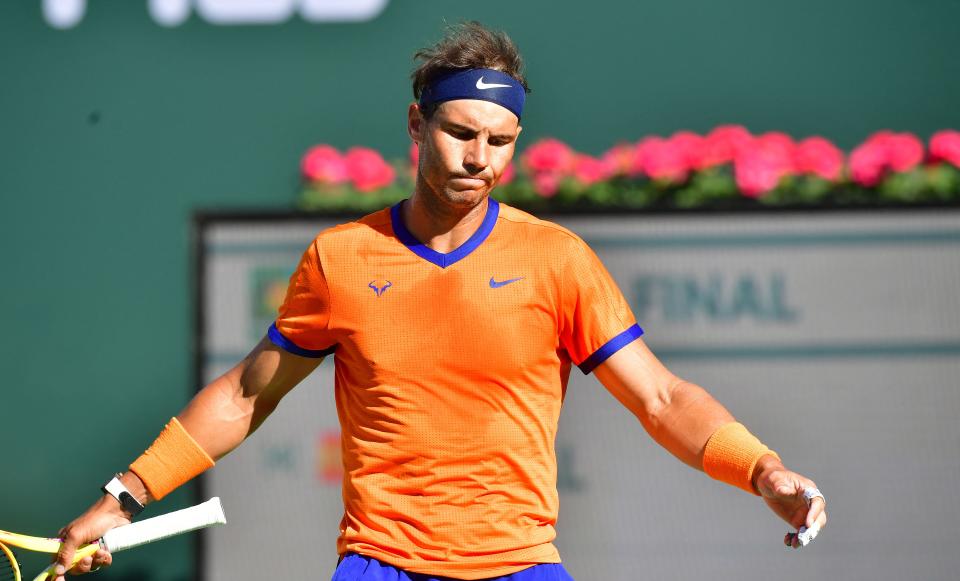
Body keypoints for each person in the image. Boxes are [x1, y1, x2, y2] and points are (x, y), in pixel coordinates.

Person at [53, 21, 826, 581]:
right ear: (417, 126)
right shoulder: (342, 257)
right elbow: (246, 395)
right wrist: (123, 495)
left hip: (520, 565)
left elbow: (661, 398)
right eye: (460, 133)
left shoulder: (556, 258)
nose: (478, 158)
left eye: (500, 140)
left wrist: (762, 469)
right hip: (379, 562)